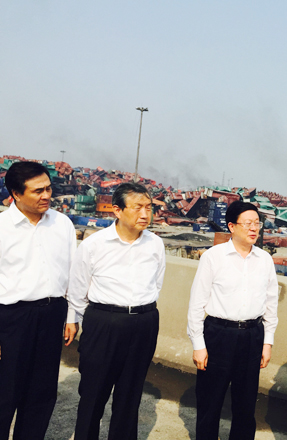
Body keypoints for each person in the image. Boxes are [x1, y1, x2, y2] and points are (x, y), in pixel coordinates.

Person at [67, 182, 165, 440]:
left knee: (130, 396)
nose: (145, 214)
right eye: (137, 207)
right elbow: (77, 288)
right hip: (104, 322)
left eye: (149, 207)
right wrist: (73, 320)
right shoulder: (95, 244)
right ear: (117, 210)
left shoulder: (155, 244)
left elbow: (157, 283)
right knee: (93, 394)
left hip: (144, 322)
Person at [188, 201, 278, 440]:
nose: (254, 229)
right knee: (210, 401)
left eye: (257, 223)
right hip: (218, 334)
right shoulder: (213, 257)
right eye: (248, 223)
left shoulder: (265, 260)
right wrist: (198, 344)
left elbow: (271, 305)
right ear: (231, 226)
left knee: (246, 404)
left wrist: (267, 342)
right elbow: (197, 303)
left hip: (252, 335)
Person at [0, 161, 77, 440]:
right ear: (16, 194)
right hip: (11, 317)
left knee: (42, 392)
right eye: (38, 191)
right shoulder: (2, 228)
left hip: (52, 314)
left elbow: (72, 274)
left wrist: (71, 317)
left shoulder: (62, 223)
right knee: (5, 391)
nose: (46, 195)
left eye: (48, 188)